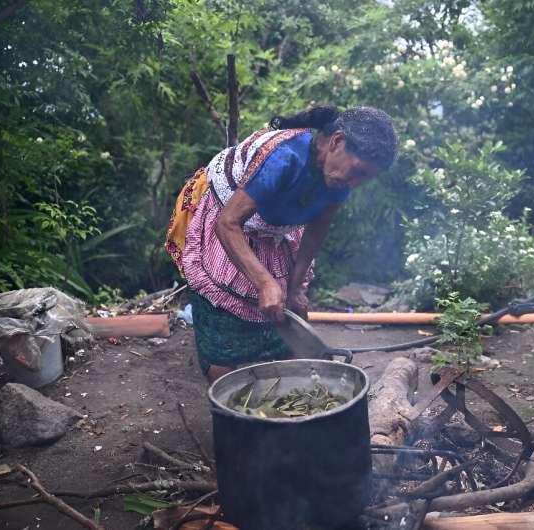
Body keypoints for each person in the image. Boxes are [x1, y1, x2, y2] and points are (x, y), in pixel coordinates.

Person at [165, 106, 398, 382]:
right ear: (336, 141)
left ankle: (282, 389)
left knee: (284, 311)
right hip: (230, 223)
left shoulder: (340, 179)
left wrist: (295, 285)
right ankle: (228, 404)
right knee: (224, 328)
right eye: (357, 171)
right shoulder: (282, 158)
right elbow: (227, 224)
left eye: (365, 178)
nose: (355, 183)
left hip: (275, 229)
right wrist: (265, 282)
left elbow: (316, 231)